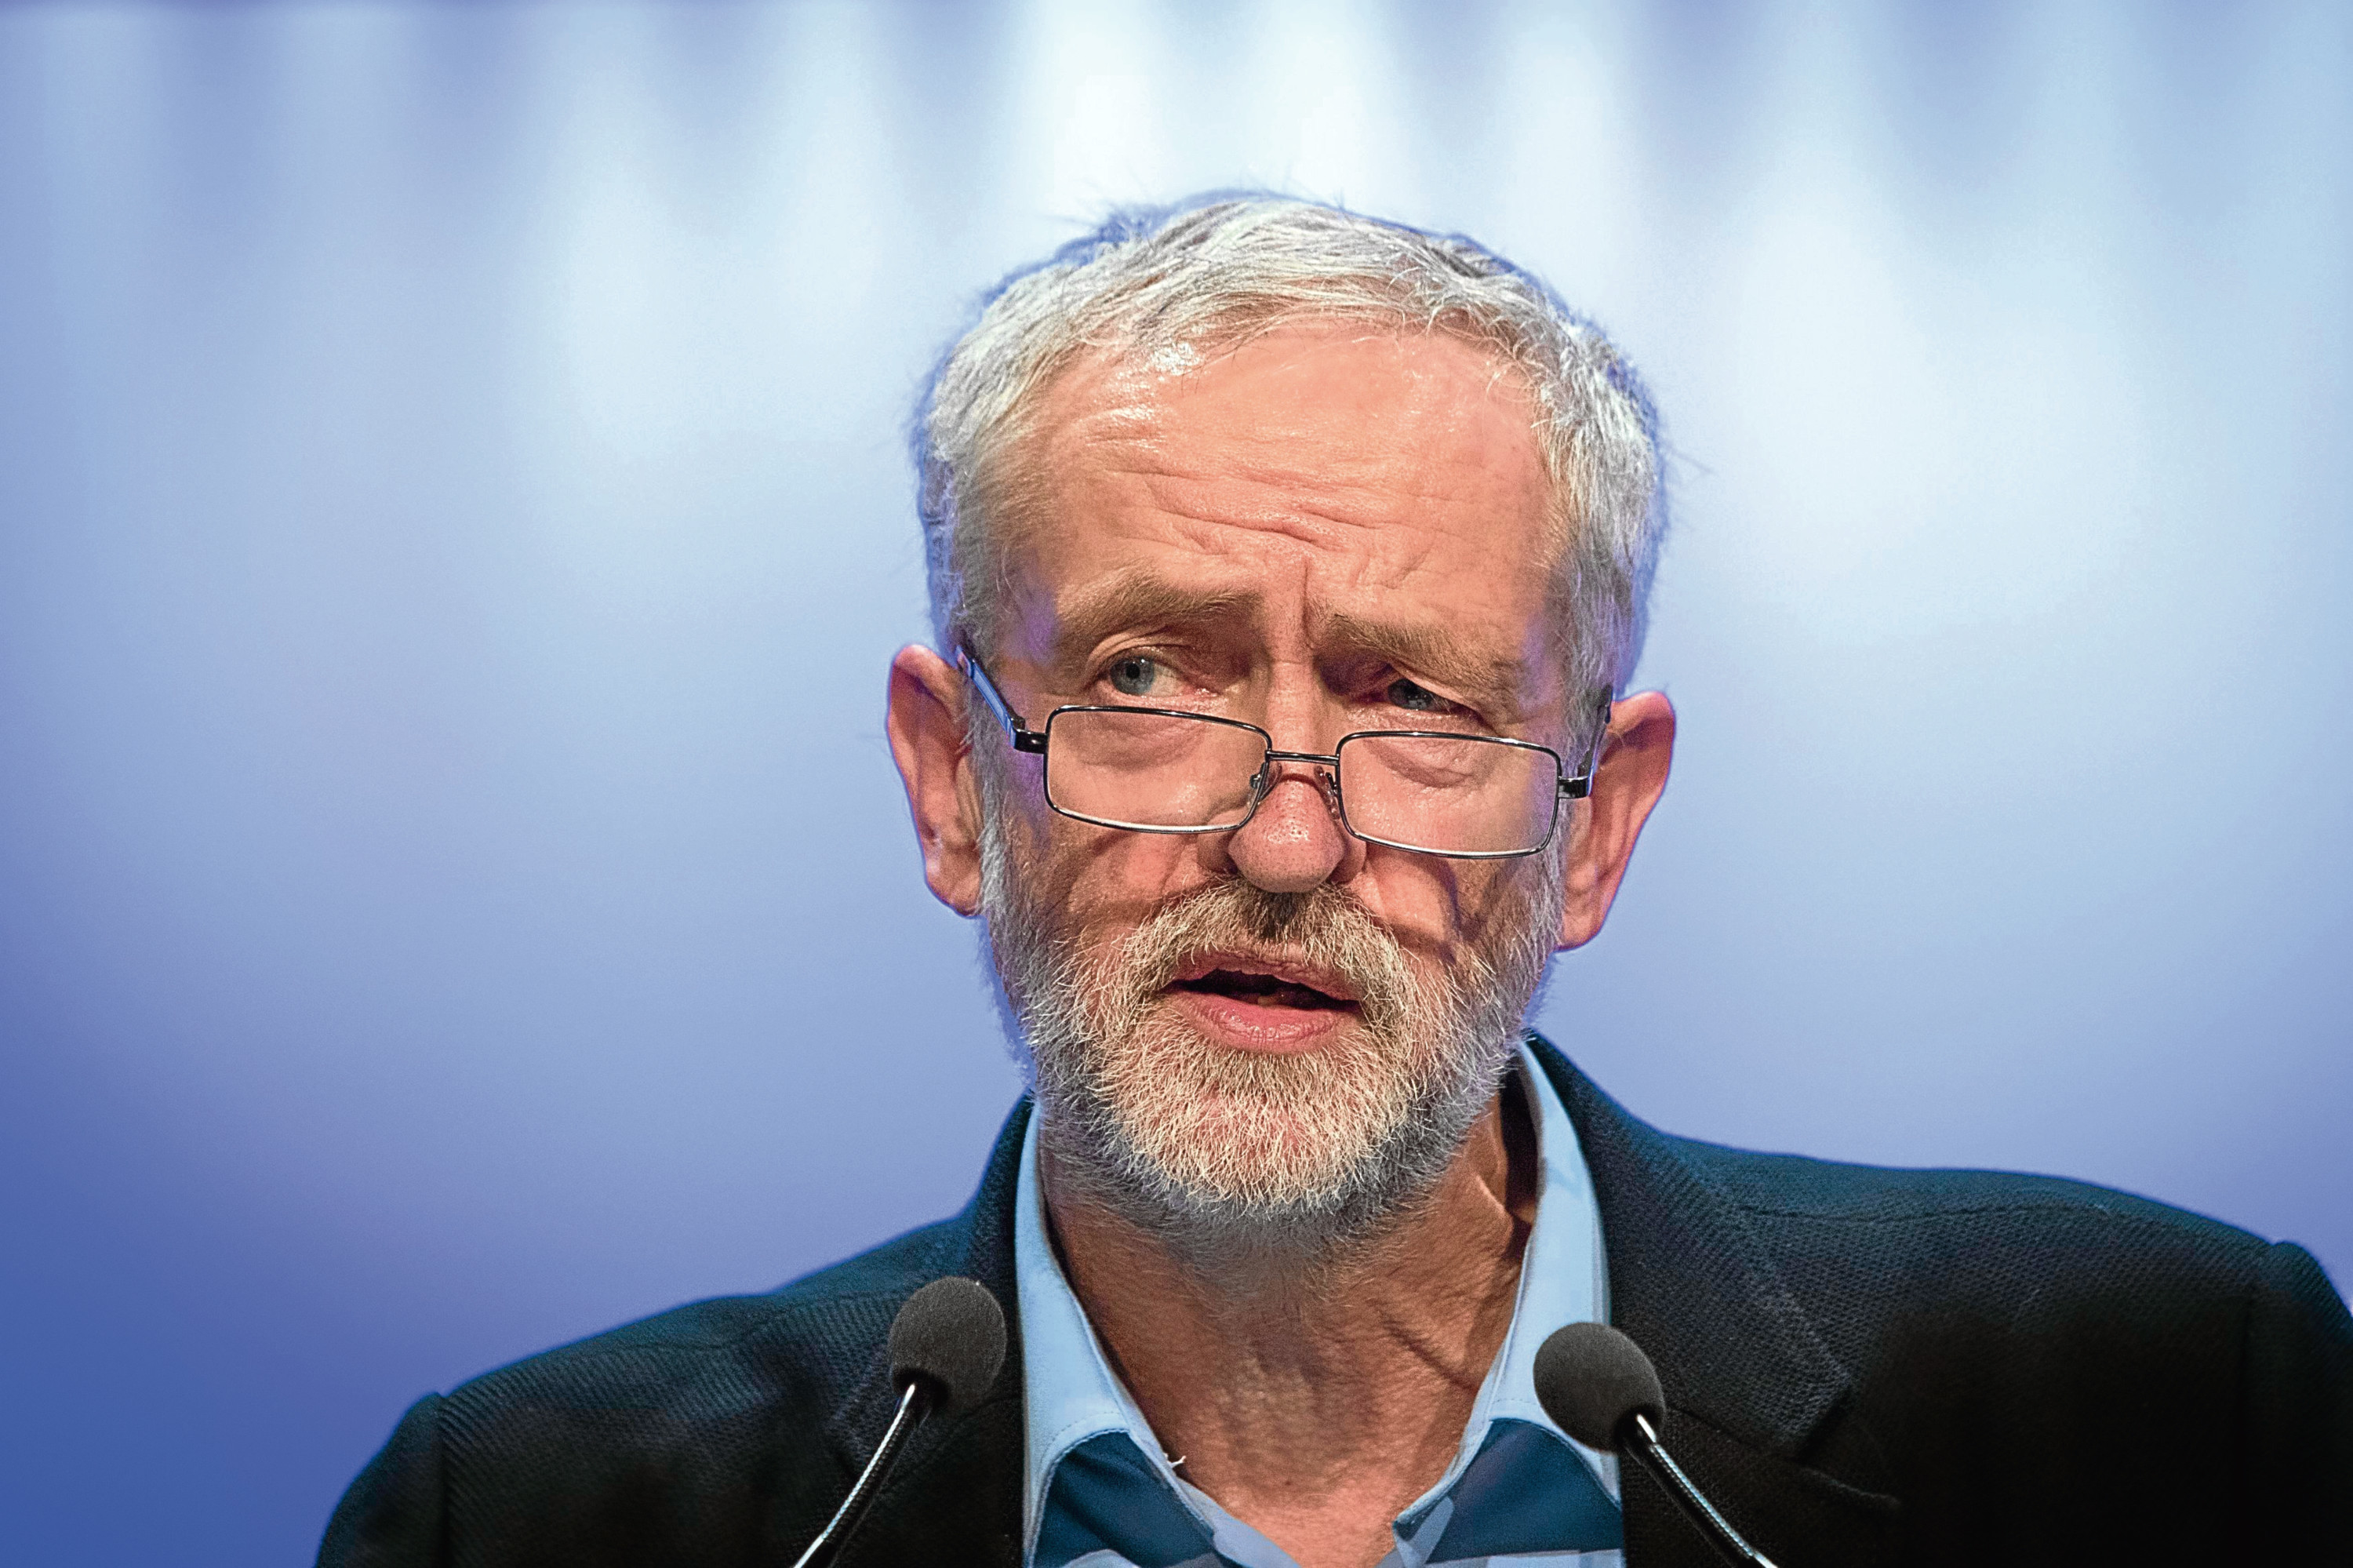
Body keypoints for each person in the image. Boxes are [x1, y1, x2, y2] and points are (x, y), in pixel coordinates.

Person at [318, 197, 2351, 1568]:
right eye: (1141, 680)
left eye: (1417, 704)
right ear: (953, 783)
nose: (1286, 846)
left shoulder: (2166, 1409)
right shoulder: (522, 1515)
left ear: (1600, 823)